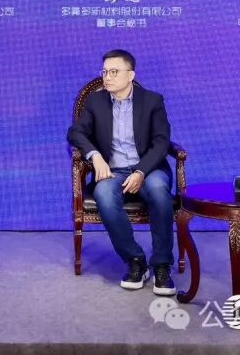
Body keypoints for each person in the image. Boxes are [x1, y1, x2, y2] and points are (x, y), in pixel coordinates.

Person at [67, 49, 175, 296]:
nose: (107, 77)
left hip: (148, 168)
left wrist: (141, 171)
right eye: (105, 72)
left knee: (159, 191)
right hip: (113, 170)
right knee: (104, 194)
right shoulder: (95, 101)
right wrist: (94, 156)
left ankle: (162, 265)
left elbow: (162, 141)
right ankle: (135, 260)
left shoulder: (152, 100)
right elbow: (75, 132)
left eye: (114, 72)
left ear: (130, 75)